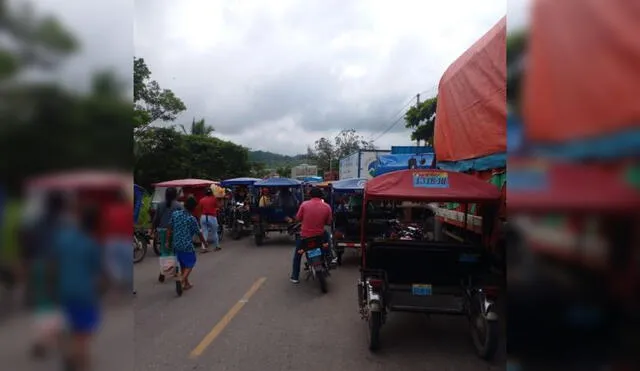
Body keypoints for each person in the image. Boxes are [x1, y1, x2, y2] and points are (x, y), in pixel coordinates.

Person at [50, 203, 103, 371]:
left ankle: (68, 354)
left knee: (68, 325)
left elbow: (54, 263)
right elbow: (97, 272)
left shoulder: (63, 238)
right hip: (84, 293)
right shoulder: (91, 244)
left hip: (63, 290)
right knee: (83, 334)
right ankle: (80, 363)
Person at [289, 187, 332, 283]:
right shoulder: (327, 206)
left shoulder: (304, 205)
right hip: (320, 236)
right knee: (327, 237)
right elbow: (329, 222)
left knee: (298, 255)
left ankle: (295, 276)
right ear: (321, 196)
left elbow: (298, 218)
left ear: (310, 195)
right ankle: (330, 257)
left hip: (305, 237)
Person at [168, 196, 207, 291]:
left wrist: (168, 241)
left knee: (183, 263)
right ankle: (182, 279)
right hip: (186, 245)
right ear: (193, 208)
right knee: (191, 262)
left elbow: (169, 228)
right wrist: (204, 242)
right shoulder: (191, 219)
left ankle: (186, 284)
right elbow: (199, 232)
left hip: (176, 243)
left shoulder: (175, 214)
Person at [102, 190, 133, 296]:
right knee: (127, 264)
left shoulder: (109, 210)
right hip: (126, 240)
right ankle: (128, 286)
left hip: (112, 239)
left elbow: (105, 224)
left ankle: (118, 284)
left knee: (112, 264)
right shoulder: (129, 210)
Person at [152, 187, 182, 255]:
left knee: (165, 251)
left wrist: (153, 229)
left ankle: (167, 265)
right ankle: (173, 264)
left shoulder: (160, 204)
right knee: (174, 250)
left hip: (162, 230)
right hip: (175, 231)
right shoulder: (179, 205)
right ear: (175, 195)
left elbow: (156, 219)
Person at [198, 188, 221, 252]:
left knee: (204, 233)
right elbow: (218, 206)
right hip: (212, 217)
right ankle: (217, 246)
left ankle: (204, 248)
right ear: (211, 193)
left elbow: (199, 209)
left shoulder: (201, 200)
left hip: (203, 217)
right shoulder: (214, 199)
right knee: (214, 232)